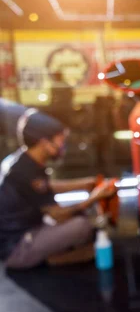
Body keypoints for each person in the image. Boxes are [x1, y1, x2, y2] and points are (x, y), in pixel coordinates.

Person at [0, 108, 116, 269]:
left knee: (76, 218)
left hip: (21, 233)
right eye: (60, 140)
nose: (63, 146)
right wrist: (94, 198)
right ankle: (52, 259)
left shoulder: (22, 160)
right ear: (44, 142)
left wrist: (84, 184)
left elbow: (45, 188)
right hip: (17, 248)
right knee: (82, 225)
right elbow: (57, 215)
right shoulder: (27, 171)